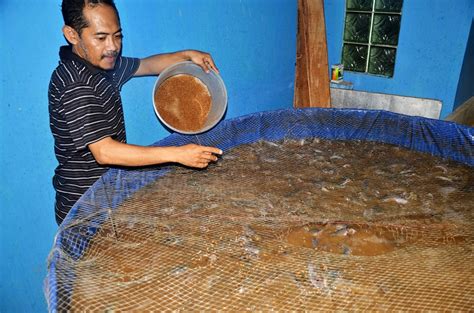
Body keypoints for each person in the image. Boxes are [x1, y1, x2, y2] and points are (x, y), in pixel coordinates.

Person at [49, 0, 222, 225]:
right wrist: (178, 154)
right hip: (84, 208)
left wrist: (187, 55)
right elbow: (105, 152)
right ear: (72, 35)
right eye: (101, 38)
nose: (112, 46)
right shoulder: (75, 84)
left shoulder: (102, 63)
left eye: (117, 35)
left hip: (110, 193)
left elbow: (147, 65)